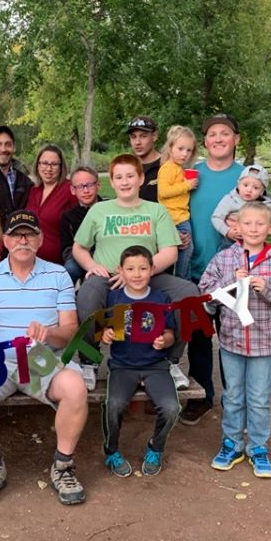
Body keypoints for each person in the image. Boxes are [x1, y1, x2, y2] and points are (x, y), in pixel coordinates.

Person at [0, 210, 87, 506]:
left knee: (75, 388)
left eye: (29, 234)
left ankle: (63, 466)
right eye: (16, 235)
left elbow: (70, 332)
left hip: (42, 357)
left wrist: (49, 333)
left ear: (40, 240)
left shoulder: (58, 275)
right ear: (5, 240)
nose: (23, 240)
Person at [72, 154, 196, 391]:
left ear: (140, 178)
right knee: (87, 296)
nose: (125, 181)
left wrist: (138, 271)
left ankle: (170, 360)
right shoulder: (99, 210)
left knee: (189, 294)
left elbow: (170, 252)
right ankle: (89, 361)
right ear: (112, 181)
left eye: (130, 176)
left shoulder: (156, 210)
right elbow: (79, 248)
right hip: (109, 277)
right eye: (119, 177)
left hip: (149, 276)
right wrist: (91, 266)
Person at [199, 203, 271, 478]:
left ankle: (258, 448)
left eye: (260, 224)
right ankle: (232, 445)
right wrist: (229, 285)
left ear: (270, 228)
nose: (253, 229)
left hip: (263, 344)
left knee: (258, 399)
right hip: (231, 341)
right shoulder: (223, 259)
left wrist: (266, 289)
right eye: (248, 223)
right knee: (233, 396)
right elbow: (205, 293)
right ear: (237, 227)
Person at [181, 114, 245, 425]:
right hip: (196, 270)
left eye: (225, 133)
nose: (218, 139)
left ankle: (235, 398)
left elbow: (264, 214)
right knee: (198, 337)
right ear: (204, 141)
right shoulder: (192, 174)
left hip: (235, 272)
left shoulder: (246, 176)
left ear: (236, 139)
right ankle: (202, 396)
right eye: (212, 134)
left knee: (233, 336)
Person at [101, 246, 179, 478]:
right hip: (123, 366)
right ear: (120, 270)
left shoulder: (160, 299)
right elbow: (104, 329)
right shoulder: (114, 298)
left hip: (155, 365)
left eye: (143, 268)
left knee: (171, 408)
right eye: (130, 269)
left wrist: (164, 341)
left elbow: (170, 333)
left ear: (152, 270)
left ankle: (156, 448)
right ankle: (111, 451)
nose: (137, 274)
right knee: (113, 405)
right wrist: (106, 334)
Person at [157, 125, 199, 280]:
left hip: (180, 217)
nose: (184, 154)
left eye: (189, 150)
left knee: (184, 251)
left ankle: (182, 280)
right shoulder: (167, 168)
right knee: (186, 250)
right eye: (180, 149)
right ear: (170, 147)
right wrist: (186, 186)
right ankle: (182, 280)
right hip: (175, 219)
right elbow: (163, 192)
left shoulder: (179, 168)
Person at [26, 144, 77, 265]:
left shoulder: (70, 189)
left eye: (54, 164)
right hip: (31, 262)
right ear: (38, 165)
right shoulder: (33, 191)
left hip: (59, 263)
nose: (48, 169)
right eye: (44, 163)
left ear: (61, 167)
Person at [211, 164, 271, 244]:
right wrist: (227, 231)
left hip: (256, 242)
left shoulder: (266, 205)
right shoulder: (230, 199)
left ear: (262, 191)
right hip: (231, 241)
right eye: (245, 185)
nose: (249, 190)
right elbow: (216, 217)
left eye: (255, 188)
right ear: (238, 184)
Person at [60, 166, 102, 285]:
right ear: (73, 190)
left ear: (98, 185)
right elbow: (67, 249)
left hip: (104, 255)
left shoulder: (107, 209)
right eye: (80, 187)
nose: (86, 190)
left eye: (90, 185)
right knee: (70, 269)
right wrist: (84, 258)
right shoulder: (68, 216)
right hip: (78, 257)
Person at [126, 115, 161, 202]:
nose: (137, 142)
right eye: (133, 137)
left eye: (143, 136)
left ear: (154, 136)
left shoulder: (167, 165)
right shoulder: (127, 167)